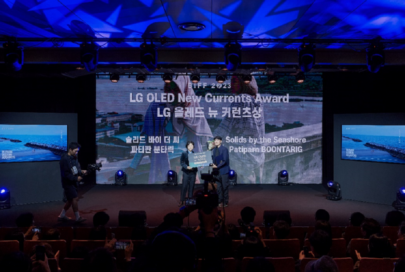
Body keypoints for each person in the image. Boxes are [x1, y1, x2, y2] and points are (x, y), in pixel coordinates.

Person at [213, 75, 265, 184]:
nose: (231, 84)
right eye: (231, 81)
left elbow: (225, 127)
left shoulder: (241, 99)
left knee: (240, 193)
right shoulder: (257, 99)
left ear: (244, 83)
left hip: (241, 157)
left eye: (235, 81)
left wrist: (210, 141)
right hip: (256, 155)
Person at [58, 142, 87, 223]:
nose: (76, 153)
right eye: (75, 151)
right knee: (74, 198)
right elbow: (65, 174)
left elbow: (75, 169)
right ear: (70, 150)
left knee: (70, 200)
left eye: (77, 151)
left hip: (73, 182)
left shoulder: (74, 157)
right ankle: (77, 217)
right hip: (68, 183)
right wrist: (76, 178)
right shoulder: (64, 159)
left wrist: (81, 171)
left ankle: (61, 215)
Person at [211, 136, 230, 207]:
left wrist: (217, 166)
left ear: (221, 141)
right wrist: (212, 164)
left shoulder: (224, 149)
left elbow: (225, 161)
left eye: (217, 140)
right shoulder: (214, 150)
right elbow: (214, 160)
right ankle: (219, 200)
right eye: (215, 140)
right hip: (216, 171)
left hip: (223, 171)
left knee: (224, 187)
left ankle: (225, 201)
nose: (216, 141)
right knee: (218, 187)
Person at [179, 141, 198, 206]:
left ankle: (190, 200)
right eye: (189, 145)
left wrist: (200, 164)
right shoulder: (184, 153)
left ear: (193, 146)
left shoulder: (195, 154)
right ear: (187, 146)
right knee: (184, 186)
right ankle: (182, 200)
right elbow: (182, 162)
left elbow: (197, 163)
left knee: (191, 186)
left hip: (193, 172)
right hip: (186, 172)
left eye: (192, 145)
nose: (190, 147)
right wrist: (187, 167)